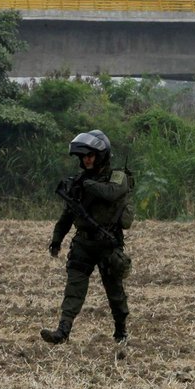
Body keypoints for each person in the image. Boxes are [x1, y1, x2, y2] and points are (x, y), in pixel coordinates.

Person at [41, 130, 131, 345]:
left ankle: (121, 332)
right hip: (83, 243)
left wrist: (86, 184)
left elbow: (111, 193)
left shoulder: (116, 177)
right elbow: (67, 215)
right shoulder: (79, 182)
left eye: (91, 155)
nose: (87, 160)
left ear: (101, 155)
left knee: (115, 293)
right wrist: (57, 239)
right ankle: (63, 331)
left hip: (107, 244)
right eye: (84, 156)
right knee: (74, 288)